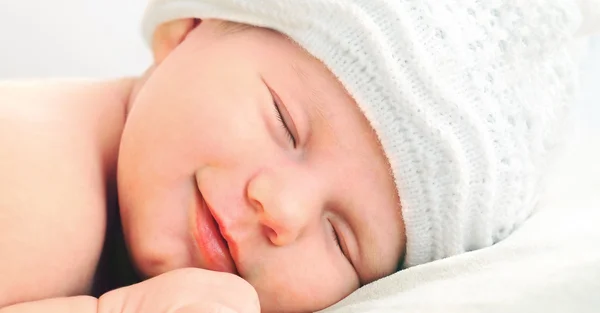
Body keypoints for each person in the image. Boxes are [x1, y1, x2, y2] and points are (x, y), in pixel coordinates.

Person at [0, 0, 590, 312]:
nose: (282, 208)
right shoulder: (41, 185)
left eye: (342, 239)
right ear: (188, 27)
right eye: (284, 122)